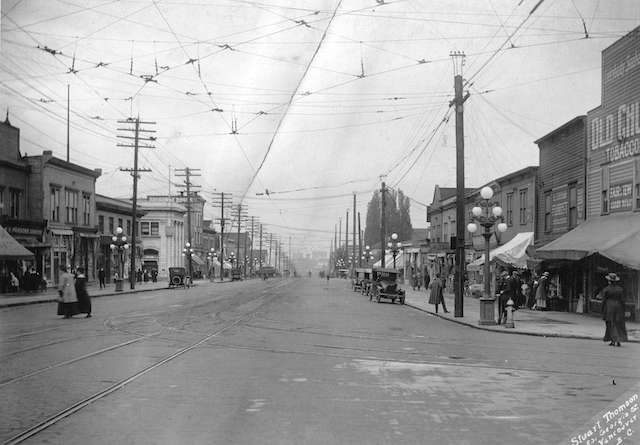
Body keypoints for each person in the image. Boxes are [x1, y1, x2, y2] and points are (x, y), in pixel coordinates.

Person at [602, 273, 627, 347]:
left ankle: (613, 340)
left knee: (610, 324)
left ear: (609, 281)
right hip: (619, 307)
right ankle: (618, 340)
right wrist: (624, 309)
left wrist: (603, 309)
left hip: (609, 307)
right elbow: (623, 300)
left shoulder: (606, 289)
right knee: (618, 323)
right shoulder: (620, 289)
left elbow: (604, 300)